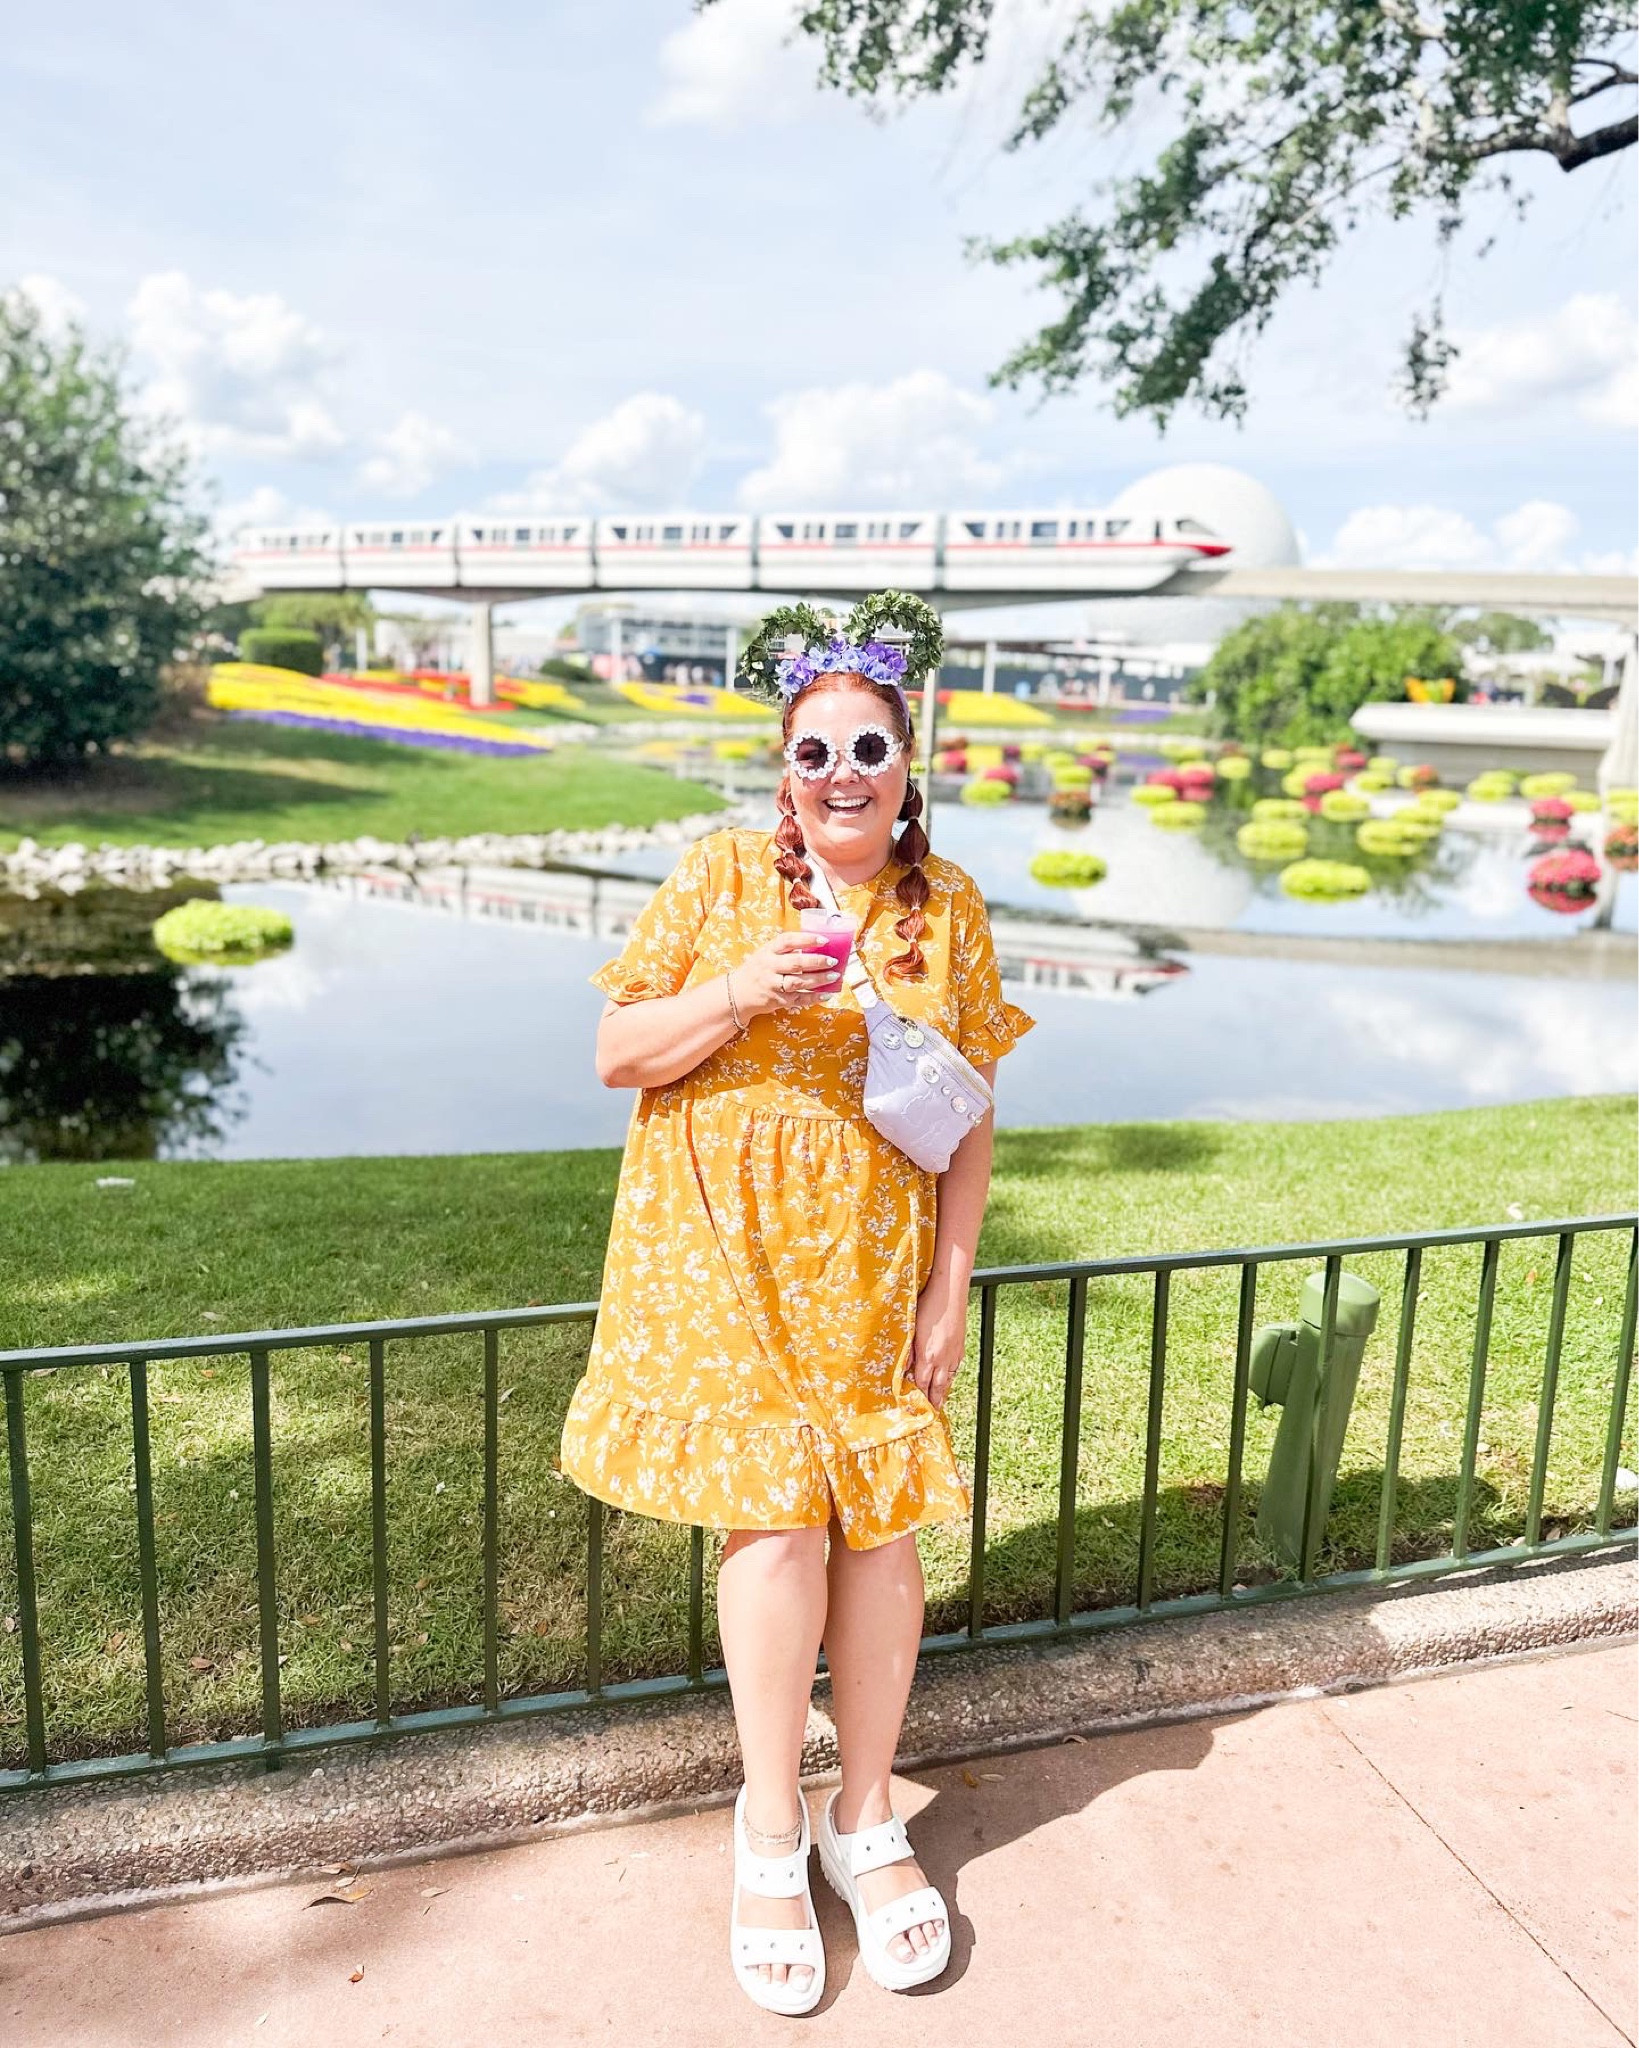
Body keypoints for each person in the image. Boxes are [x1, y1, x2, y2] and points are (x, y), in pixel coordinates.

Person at [559, 618, 1032, 2016]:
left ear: (907, 762)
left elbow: (975, 1111)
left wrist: (952, 1280)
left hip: (875, 1266)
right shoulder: (716, 877)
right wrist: (738, 990)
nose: (841, 773)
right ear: (783, 770)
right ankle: (771, 1825)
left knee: (879, 1527)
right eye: (813, 750)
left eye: (867, 748)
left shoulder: (943, 907)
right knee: (775, 1523)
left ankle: (865, 1813)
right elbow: (614, 1054)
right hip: (716, 1257)